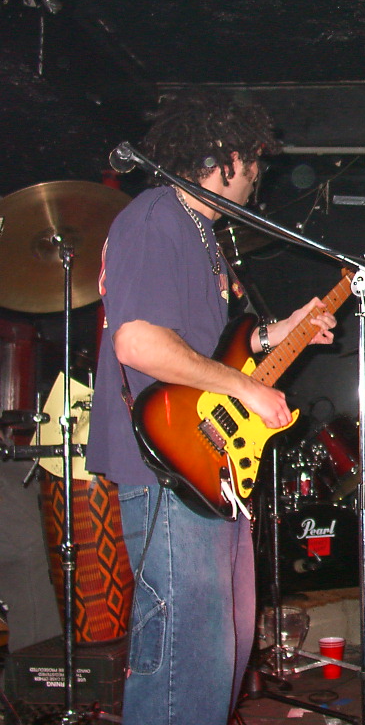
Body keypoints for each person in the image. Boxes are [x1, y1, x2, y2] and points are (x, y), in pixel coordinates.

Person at [88, 90, 336, 725]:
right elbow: (139, 341)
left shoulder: (204, 232)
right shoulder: (156, 216)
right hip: (169, 463)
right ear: (225, 157)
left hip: (210, 463)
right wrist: (245, 389)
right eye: (254, 160)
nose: (258, 174)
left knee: (218, 652)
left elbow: (212, 347)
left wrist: (278, 333)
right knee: (187, 660)